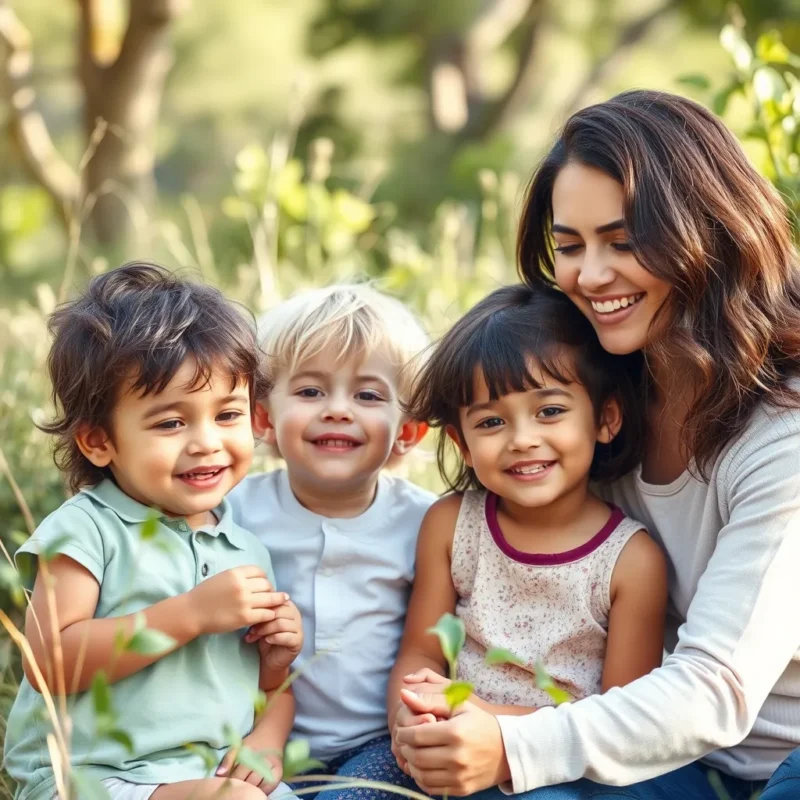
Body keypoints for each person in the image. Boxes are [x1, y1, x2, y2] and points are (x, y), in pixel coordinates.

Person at [393, 89, 800, 799]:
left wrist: (509, 743)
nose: (589, 275)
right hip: (663, 758)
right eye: (569, 246)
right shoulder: (592, 394)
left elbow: (716, 690)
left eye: (624, 241)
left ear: (707, 231)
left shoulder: (782, 431)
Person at [4, 263, 303, 800]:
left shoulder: (244, 547)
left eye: (227, 414)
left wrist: (272, 697)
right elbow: (50, 662)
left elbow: (268, 691)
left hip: (207, 772)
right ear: (99, 442)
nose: (206, 442)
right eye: (171, 423)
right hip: (90, 775)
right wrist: (188, 615)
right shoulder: (86, 531)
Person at [389, 284, 667, 771]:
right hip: (445, 742)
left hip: (562, 768)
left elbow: (623, 721)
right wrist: (410, 720)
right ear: (462, 443)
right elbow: (420, 654)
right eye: (491, 423)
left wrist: (486, 722)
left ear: (605, 418)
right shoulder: (453, 525)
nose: (522, 439)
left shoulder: (631, 562)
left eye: (550, 411)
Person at [227, 285, 436, 798]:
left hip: (375, 745)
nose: (337, 410)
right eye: (310, 391)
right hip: (247, 734)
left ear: (408, 431)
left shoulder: (427, 522)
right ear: (263, 419)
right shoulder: (233, 512)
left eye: (367, 395)